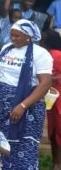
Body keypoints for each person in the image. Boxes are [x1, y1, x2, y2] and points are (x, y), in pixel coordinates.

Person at [0, 19, 53, 170]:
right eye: (11, 35)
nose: (13, 38)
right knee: (2, 144)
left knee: (24, 146)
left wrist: (23, 106)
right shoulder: (6, 48)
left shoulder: (40, 54)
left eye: (17, 36)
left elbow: (45, 84)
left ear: (28, 36)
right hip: (2, 106)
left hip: (28, 107)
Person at [41, 30, 61, 169]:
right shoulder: (46, 55)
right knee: (53, 133)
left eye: (43, 39)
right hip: (51, 99)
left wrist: (48, 79)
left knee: (58, 132)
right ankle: (56, 164)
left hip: (58, 99)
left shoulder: (57, 55)